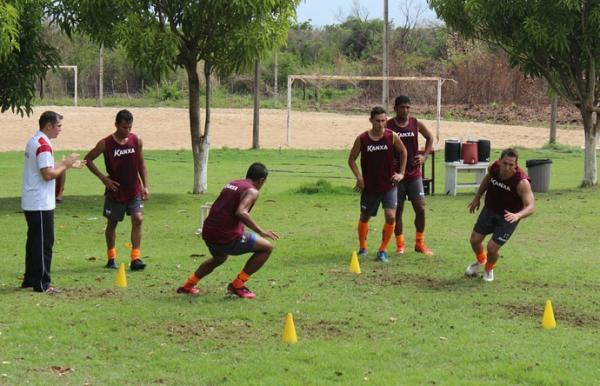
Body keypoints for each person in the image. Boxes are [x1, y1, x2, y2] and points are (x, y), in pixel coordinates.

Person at [177, 162, 279, 299]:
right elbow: (241, 212)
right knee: (266, 247)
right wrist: (261, 231)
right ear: (261, 180)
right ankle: (237, 285)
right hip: (226, 236)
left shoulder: (234, 183)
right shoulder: (252, 191)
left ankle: (188, 285)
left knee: (219, 258)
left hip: (208, 232)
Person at [21, 111, 86, 293]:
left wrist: (68, 164)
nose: (60, 130)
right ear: (48, 125)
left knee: (34, 242)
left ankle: (30, 279)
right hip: (40, 202)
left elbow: (47, 166)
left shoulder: (36, 140)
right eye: (58, 126)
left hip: (32, 200)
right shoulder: (43, 145)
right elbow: (48, 174)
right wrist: (65, 165)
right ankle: (43, 284)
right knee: (44, 243)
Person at [84, 109, 149, 271]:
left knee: (138, 219)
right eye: (124, 128)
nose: (127, 131)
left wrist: (145, 186)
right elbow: (88, 159)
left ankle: (135, 259)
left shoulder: (136, 140)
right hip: (115, 192)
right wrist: (103, 178)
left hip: (134, 190)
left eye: (130, 127)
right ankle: (111, 257)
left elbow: (141, 164)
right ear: (116, 125)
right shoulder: (105, 143)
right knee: (112, 224)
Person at [465, 148, 535, 282]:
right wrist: (477, 198)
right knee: (474, 240)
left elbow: (531, 206)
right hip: (490, 209)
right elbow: (487, 180)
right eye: (505, 163)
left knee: (492, 248)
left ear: (516, 165)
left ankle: (489, 268)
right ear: (500, 161)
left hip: (509, 216)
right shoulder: (494, 168)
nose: (507, 167)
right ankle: (481, 261)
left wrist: (518, 215)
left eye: (511, 165)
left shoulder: (521, 182)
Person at [348, 106, 407, 263]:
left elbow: (403, 152)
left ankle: (382, 250)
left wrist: (401, 173)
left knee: (390, 216)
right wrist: (359, 177)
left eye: (383, 120)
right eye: (377, 121)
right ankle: (363, 247)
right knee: (365, 216)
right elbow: (351, 159)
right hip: (370, 187)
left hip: (389, 185)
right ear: (370, 121)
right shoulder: (362, 139)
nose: (381, 124)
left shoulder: (391, 136)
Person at [386, 95, 435, 256]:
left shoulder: (416, 123)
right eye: (402, 107)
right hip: (397, 175)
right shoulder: (388, 125)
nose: (405, 110)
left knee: (420, 208)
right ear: (395, 108)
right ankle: (400, 245)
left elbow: (430, 138)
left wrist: (424, 156)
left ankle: (420, 243)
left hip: (414, 174)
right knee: (398, 210)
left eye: (408, 107)